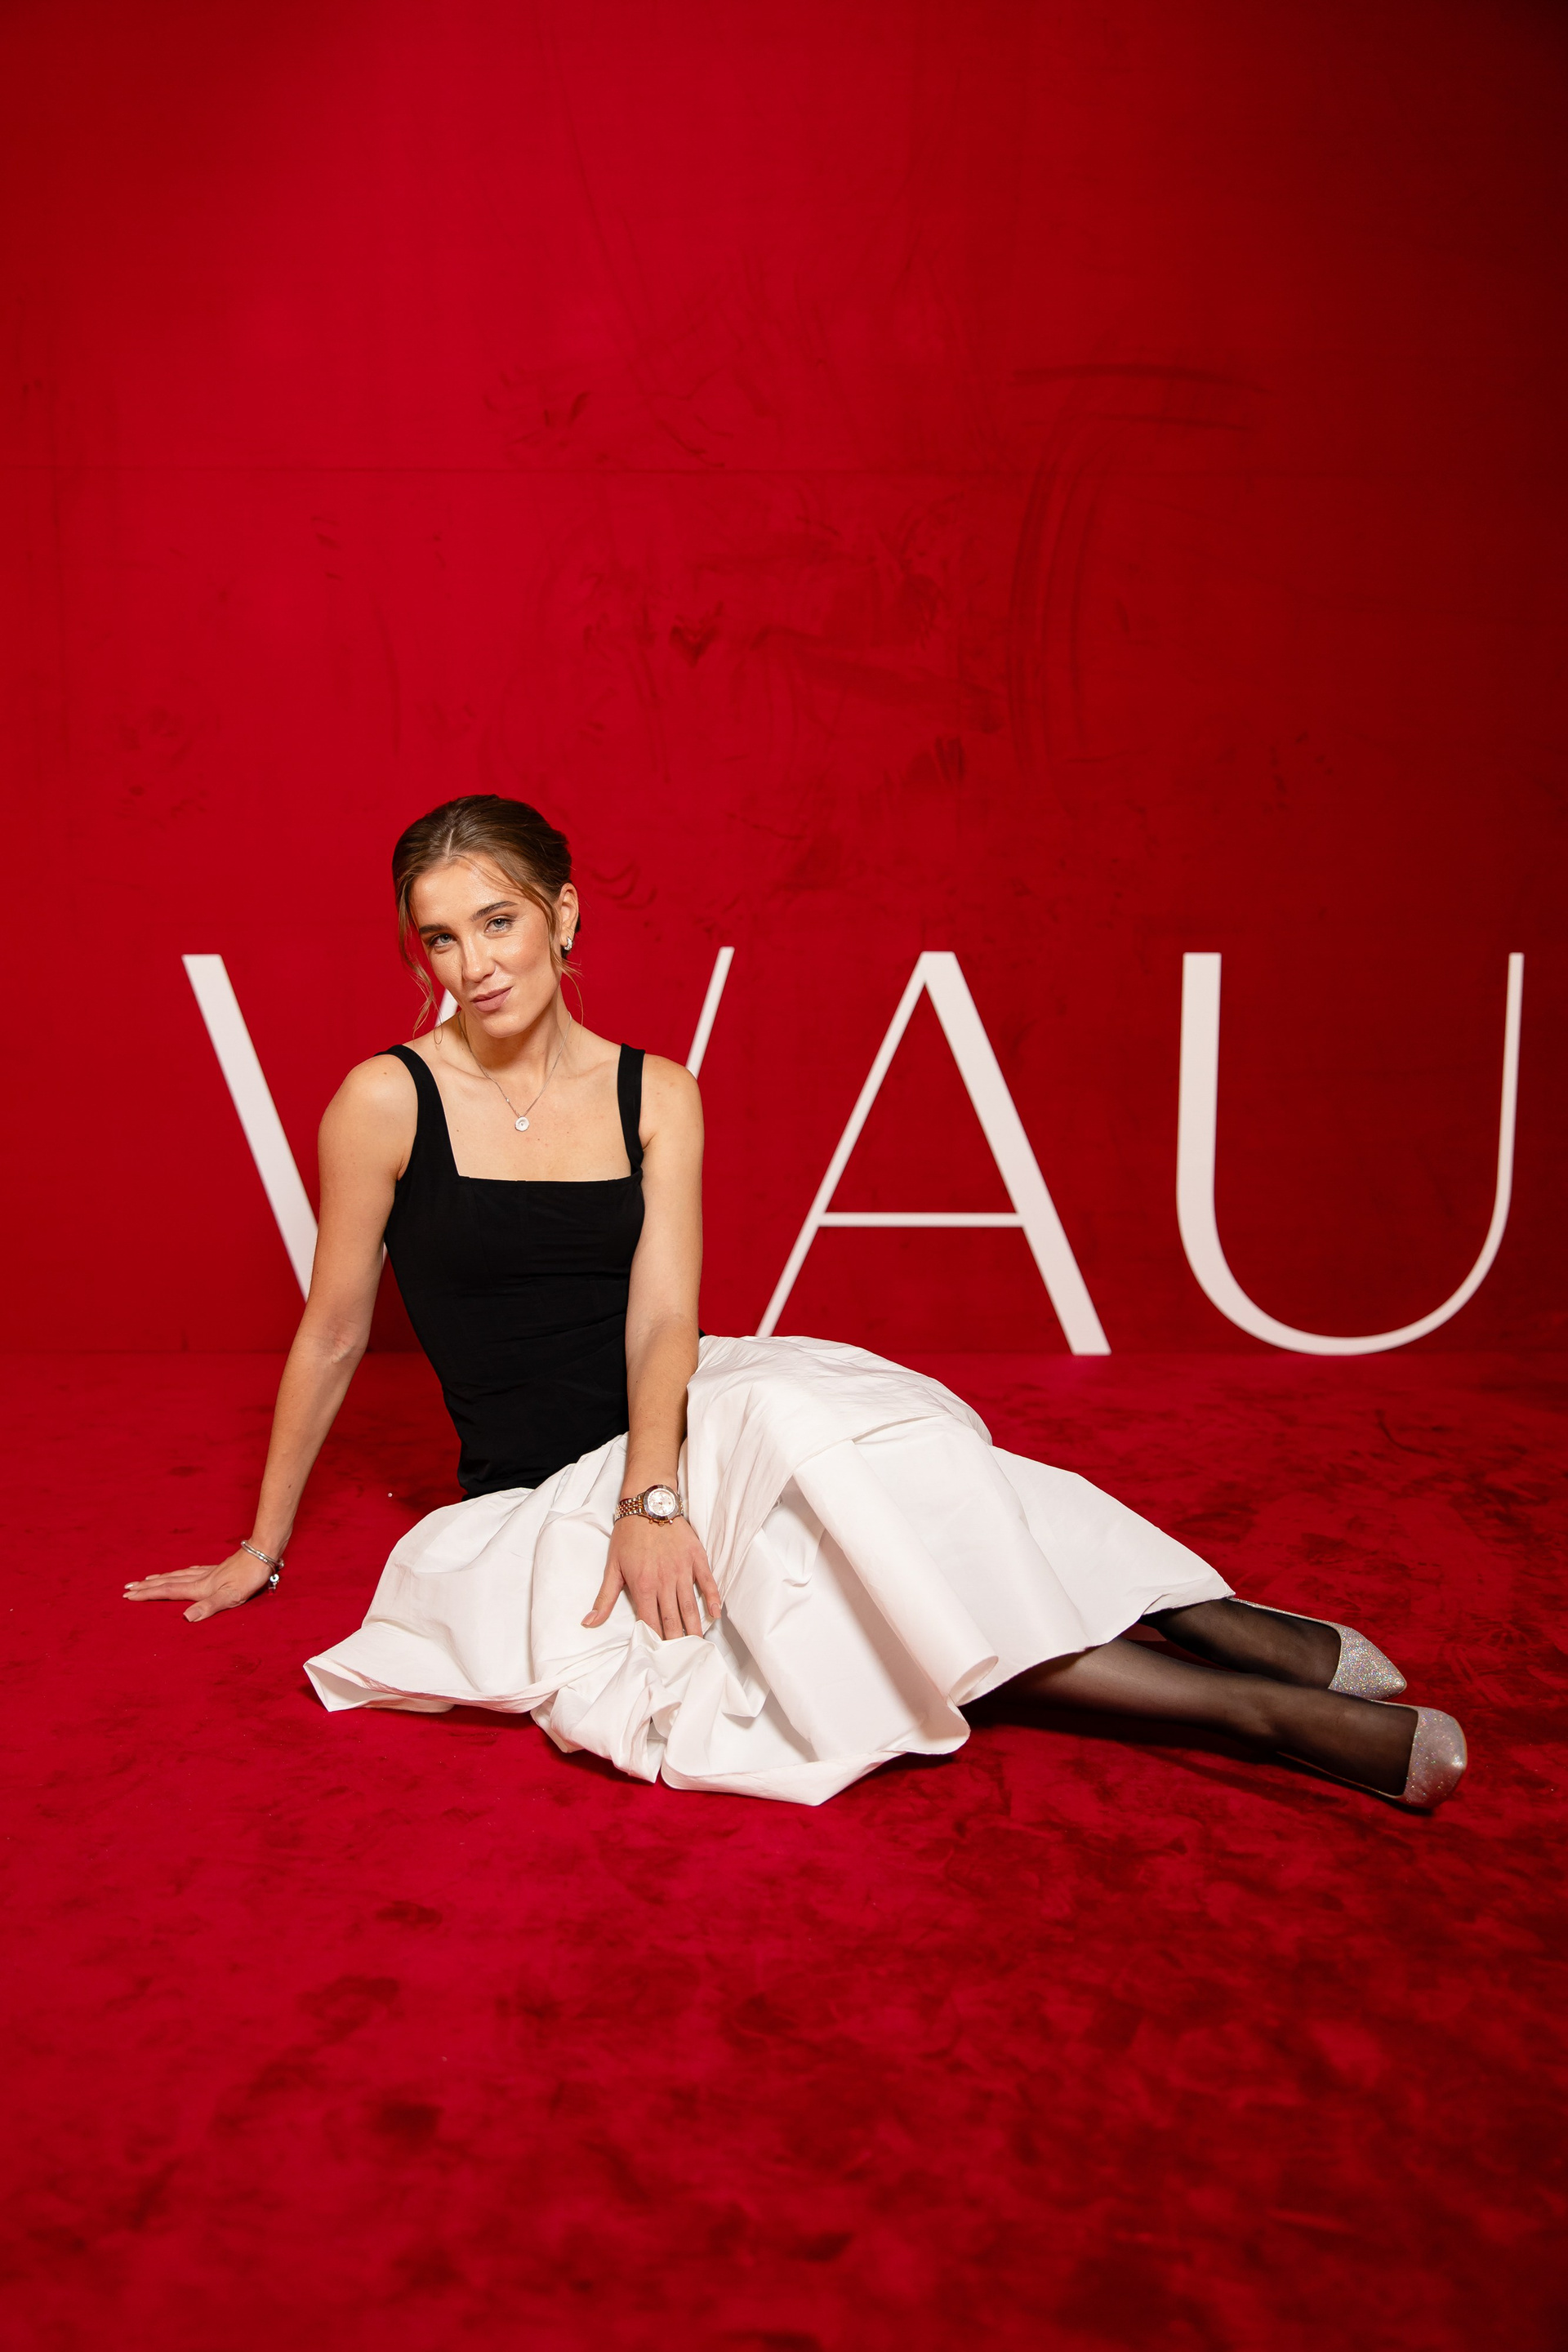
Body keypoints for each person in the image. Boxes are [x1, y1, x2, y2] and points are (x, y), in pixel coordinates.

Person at [125, 795, 1468, 1811]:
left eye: (498, 921)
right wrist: (264, 1545)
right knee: (846, 1581)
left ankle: (1206, 1617)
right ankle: (1252, 1708)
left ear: (563, 916)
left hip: (683, 1414)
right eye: (440, 935)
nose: (473, 964)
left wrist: (658, 1494)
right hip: (545, 1482)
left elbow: (666, 1319)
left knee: (866, 1453)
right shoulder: (386, 1098)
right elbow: (337, 1328)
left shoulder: (658, 1092)